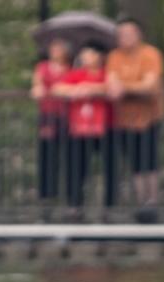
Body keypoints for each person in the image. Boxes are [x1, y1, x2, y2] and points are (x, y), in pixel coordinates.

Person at [106, 18, 164, 222]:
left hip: (149, 117)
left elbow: (150, 86)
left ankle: (153, 202)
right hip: (124, 119)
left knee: (150, 161)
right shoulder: (114, 57)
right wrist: (131, 87)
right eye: (121, 34)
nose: (125, 38)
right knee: (135, 164)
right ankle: (142, 203)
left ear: (138, 34)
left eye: (129, 33)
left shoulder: (150, 54)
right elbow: (112, 86)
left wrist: (126, 88)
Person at [52, 46, 112, 215]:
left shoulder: (106, 73)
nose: (87, 57)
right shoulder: (77, 74)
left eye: (91, 53)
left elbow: (113, 88)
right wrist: (76, 90)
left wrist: (93, 88)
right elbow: (57, 88)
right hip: (79, 129)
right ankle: (74, 204)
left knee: (109, 168)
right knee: (76, 167)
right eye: (84, 54)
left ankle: (109, 206)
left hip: (105, 128)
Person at [31, 38, 72, 205]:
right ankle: (46, 197)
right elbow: (37, 86)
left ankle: (70, 198)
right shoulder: (43, 67)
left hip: (67, 117)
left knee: (69, 157)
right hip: (48, 116)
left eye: (59, 48)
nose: (55, 51)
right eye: (53, 48)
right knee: (48, 156)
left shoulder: (71, 68)